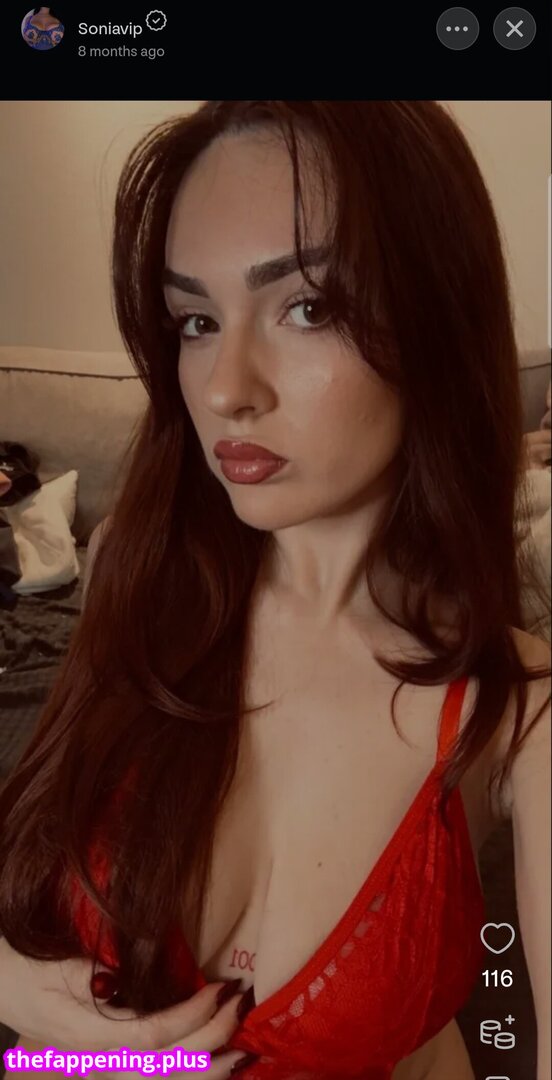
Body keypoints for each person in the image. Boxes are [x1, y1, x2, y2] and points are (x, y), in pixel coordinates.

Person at [0, 101, 550, 1080]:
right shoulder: (140, 572)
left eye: (309, 307)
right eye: (196, 321)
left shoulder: (521, 711)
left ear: (435, 320)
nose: (224, 389)